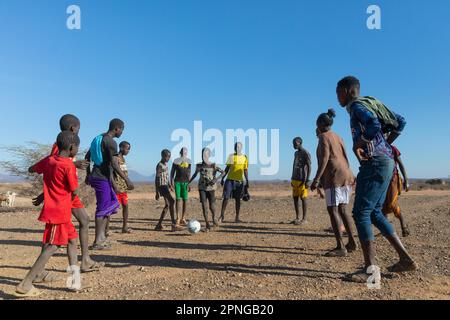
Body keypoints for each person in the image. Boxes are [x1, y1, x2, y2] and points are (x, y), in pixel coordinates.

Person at [336, 76, 417, 283]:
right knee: (374, 213)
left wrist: (360, 144)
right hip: (386, 161)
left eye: (338, 92)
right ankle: (405, 259)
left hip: (376, 163)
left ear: (347, 90)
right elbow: (401, 121)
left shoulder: (357, 107)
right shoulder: (373, 104)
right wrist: (386, 144)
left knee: (361, 212)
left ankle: (370, 271)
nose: (337, 96)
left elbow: (372, 124)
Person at [32, 114, 102, 274]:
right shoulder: (61, 145)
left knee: (81, 223)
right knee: (57, 233)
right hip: (66, 194)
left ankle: (83, 262)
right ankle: (38, 272)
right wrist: (74, 163)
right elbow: (54, 167)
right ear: (73, 128)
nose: (79, 130)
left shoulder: (62, 142)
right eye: (79, 128)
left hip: (65, 193)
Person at [15, 131, 82, 297]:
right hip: (59, 212)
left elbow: (32, 169)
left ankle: (74, 281)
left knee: (73, 241)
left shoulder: (49, 160)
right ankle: (26, 283)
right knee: (52, 246)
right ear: (72, 147)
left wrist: (45, 173)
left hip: (60, 212)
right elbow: (74, 190)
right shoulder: (68, 166)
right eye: (77, 148)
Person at [310, 109, 358, 257]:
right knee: (343, 209)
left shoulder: (323, 137)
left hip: (334, 176)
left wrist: (317, 179)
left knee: (333, 210)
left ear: (320, 124)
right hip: (345, 173)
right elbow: (345, 155)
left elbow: (324, 159)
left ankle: (341, 247)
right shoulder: (338, 136)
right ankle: (352, 242)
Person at [85, 119, 134, 250]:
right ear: (117, 128)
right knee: (101, 209)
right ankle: (97, 242)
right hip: (102, 178)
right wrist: (126, 180)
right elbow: (114, 164)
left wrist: (88, 174)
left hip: (98, 176)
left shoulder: (98, 138)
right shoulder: (111, 142)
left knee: (110, 205)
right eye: (122, 129)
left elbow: (87, 156)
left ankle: (102, 238)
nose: (122, 132)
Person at [189, 148, 225, 232]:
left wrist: (216, 180)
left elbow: (223, 172)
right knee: (204, 207)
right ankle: (207, 225)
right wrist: (189, 182)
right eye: (202, 154)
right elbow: (195, 174)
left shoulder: (213, 165)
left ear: (209, 155)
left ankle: (214, 218)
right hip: (202, 188)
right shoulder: (199, 165)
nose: (204, 156)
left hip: (211, 189)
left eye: (205, 154)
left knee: (212, 207)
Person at [382, 145, 410, 237]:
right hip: (381, 179)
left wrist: (406, 179)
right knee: (382, 204)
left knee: (392, 203)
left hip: (393, 179)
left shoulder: (392, 149)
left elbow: (401, 164)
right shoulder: (376, 148)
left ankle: (403, 224)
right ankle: (386, 228)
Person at [219, 142, 249, 224]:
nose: (237, 148)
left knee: (238, 200)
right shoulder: (231, 156)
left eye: (238, 147)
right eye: (235, 146)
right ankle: (221, 216)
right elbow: (227, 168)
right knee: (226, 198)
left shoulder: (245, 157)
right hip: (229, 180)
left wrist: (247, 180)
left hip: (239, 182)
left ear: (241, 148)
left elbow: (245, 170)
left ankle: (237, 217)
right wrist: (222, 178)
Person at [155, 149, 184, 232]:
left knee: (168, 204)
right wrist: (157, 192)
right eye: (167, 156)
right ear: (162, 156)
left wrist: (170, 185)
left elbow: (165, 177)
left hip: (165, 186)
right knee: (172, 201)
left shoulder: (166, 165)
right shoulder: (160, 165)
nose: (168, 158)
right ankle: (173, 224)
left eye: (169, 157)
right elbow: (157, 178)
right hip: (161, 186)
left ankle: (159, 224)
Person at [111, 141, 133, 234]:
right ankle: (106, 230)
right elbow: (111, 173)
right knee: (111, 209)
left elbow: (124, 173)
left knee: (125, 206)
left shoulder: (123, 159)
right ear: (120, 147)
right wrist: (114, 186)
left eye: (129, 149)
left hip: (123, 188)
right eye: (126, 148)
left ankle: (124, 227)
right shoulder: (115, 158)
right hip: (116, 187)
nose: (128, 150)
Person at [290, 137, 311, 225]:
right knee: (295, 198)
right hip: (295, 179)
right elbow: (294, 165)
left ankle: (304, 219)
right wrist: (292, 177)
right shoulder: (295, 153)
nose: (293, 145)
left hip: (302, 179)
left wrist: (307, 180)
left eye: (294, 143)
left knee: (303, 198)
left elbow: (309, 166)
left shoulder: (305, 153)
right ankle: (297, 218)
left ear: (299, 142)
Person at [170, 147, 192, 227]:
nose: (184, 153)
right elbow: (172, 173)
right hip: (177, 182)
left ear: (187, 153)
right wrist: (171, 183)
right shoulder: (176, 161)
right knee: (178, 200)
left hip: (185, 183)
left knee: (185, 200)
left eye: (185, 152)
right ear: (180, 152)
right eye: (183, 151)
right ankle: (178, 218)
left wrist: (189, 183)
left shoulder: (189, 161)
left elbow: (189, 172)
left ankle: (183, 218)